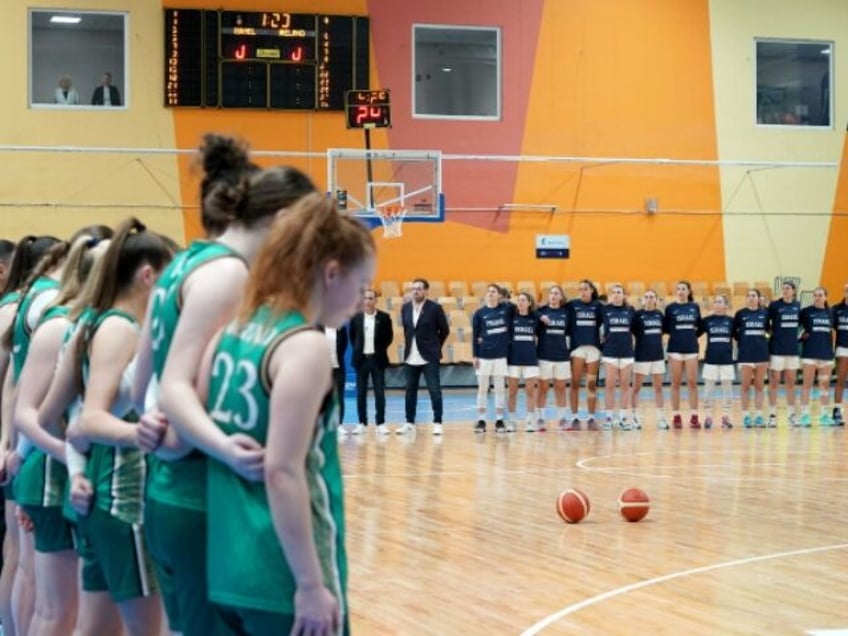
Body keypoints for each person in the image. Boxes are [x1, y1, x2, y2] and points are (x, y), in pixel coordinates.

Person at [133, 135, 316, 636]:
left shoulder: (182, 267)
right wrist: (220, 447)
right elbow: (177, 385)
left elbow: (139, 385)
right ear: (281, 222)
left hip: (171, 492)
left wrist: (157, 424)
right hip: (203, 490)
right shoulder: (229, 275)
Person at [195, 193, 374, 635]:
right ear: (331, 273)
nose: (360, 300)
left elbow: (188, 419)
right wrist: (311, 585)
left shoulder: (232, 328)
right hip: (281, 568)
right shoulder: (303, 345)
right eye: (361, 285)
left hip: (226, 559)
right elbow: (282, 471)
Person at [71, 218, 173, 636]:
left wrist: (76, 469)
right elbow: (89, 418)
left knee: (94, 629)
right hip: (124, 499)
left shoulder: (98, 323)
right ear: (149, 276)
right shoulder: (119, 329)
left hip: (103, 493)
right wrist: (141, 434)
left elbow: (73, 422)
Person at [12, 233, 111, 636]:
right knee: (56, 609)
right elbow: (28, 411)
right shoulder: (61, 325)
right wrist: (70, 461)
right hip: (53, 475)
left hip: (61, 471)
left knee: (67, 608)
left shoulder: (91, 324)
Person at [399, 279, 449, 436]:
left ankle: (437, 422)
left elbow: (445, 330)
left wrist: (435, 346)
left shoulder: (435, 308)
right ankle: (409, 422)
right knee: (410, 391)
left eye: (419, 288)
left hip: (429, 356)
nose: (415, 291)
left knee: (434, 390)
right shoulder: (405, 308)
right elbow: (407, 330)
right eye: (413, 289)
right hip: (410, 356)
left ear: (426, 291)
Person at [347, 289, 393, 435]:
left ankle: (380, 423)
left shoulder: (384, 318)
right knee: (361, 394)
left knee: (380, 392)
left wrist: (378, 350)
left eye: (371, 298)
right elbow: (353, 337)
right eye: (365, 298)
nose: (368, 301)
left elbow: (388, 338)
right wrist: (360, 351)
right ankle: (362, 423)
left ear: (375, 301)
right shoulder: (356, 318)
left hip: (377, 360)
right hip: (361, 361)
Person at [471, 284, 511, 433]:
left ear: (499, 295)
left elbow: (518, 305)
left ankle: (499, 420)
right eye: (488, 292)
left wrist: (506, 297)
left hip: (500, 356)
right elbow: (475, 336)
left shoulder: (506, 309)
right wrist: (474, 355)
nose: (490, 294)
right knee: (482, 388)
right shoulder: (480, 313)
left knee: (500, 388)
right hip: (483, 356)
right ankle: (481, 420)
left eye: (494, 292)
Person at [566, 280, 603, 430]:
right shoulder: (572, 305)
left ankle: (591, 417)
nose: (582, 291)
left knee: (591, 385)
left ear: (592, 290)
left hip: (593, 349)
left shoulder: (598, 306)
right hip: (578, 349)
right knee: (575, 383)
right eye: (580, 289)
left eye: (585, 289)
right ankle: (574, 417)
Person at [664, 281, 702, 429]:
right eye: (678, 289)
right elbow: (667, 328)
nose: (680, 291)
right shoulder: (670, 308)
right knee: (675, 384)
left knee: (692, 383)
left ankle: (694, 416)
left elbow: (698, 327)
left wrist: (690, 336)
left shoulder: (695, 307)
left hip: (691, 349)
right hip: (675, 349)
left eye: (683, 289)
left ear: (689, 291)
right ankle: (676, 416)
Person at [798, 287, 835, 427]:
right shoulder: (806, 312)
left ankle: (824, 415)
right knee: (807, 385)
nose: (817, 297)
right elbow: (797, 328)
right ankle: (805, 415)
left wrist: (832, 350)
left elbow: (834, 332)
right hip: (809, 355)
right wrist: (800, 336)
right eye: (815, 295)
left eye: (820, 295)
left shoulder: (831, 313)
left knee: (824, 386)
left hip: (826, 355)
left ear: (825, 297)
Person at [535, 285, 570, 432]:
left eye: (557, 293)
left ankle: (562, 418)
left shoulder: (566, 313)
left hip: (561, 356)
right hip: (544, 355)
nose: (554, 296)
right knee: (543, 388)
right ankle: (540, 419)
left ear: (561, 297)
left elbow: (568, 333)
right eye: (551, 293)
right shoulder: (541, 313)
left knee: (560, 388)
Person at [600, 284, 636, 430]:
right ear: (610, 296)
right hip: (610, 353)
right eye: (613, 292)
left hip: (627, 352)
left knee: (625, 386)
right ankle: (608, 417)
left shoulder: (630, 311)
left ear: (623, 295)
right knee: (609, 386)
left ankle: (622, 417)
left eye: (619, 292)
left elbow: (636, 330)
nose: (616, 294)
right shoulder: (605, 310)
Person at [767, 281, 801, 427]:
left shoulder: (798, 306)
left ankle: (791, 415)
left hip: (792, 351)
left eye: (788, 288)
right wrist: (769, 336)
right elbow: (765, 323)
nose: (785, 290)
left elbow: (805, 324)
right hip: (776, 350)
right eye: (784, 288)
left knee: (791, 384)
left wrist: (802, 336)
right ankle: (772, 415)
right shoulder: (774, 306)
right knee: (774, 383)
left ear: (794, 291)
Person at [631, 290, 667, 430]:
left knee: (658, 388)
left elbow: (662, 331)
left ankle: (661, 418)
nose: (649, 299)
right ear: (643, 300)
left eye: (652, 297)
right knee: (636, 388)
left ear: (656, 300)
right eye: (646, 297)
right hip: (641, 356)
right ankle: (634, 417)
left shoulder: (659, 315)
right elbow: (633, 331)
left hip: (657, 356)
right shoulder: (637, 315)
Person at [734, 290, 770, 428]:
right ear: (746, 298)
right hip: (745, 355)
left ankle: (759, 416)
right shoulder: (740, 314)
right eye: (748, 295)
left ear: (758, 298)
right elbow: (734, 333)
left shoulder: (765, 314)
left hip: (761, 354)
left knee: (759, 386)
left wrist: (763, 339)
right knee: (745, 386)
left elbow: (768, 331)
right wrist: (743, 342)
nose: (751, 298)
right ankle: (746, 417)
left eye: (753, 296)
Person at [699, 295, 735, 429]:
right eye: (715, 302)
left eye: (720, 302)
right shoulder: (707, 321)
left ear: (726, 305)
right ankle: (708, 416)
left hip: (726, 360)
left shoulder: (731, 321)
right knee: (708, 390)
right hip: (711, 360)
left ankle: (726, 417)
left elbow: (738, 336)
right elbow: (695, 333)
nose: (717, 304)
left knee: (728, 390)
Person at [506, 292, 539, 432]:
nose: (520, 303)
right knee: (512, 391)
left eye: (523, 300)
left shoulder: (534, 319)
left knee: (530, 391)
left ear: (529, 303)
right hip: (513, 360)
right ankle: (512, 421)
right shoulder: (511, 318)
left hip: (530, 360)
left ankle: (530, 420)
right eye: (518, 300)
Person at [324, 325, 349, 427]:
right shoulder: (319, 328)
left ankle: (339, 424)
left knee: (339, 397)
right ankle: (324, 426)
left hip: (338, 369)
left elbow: (344, 345)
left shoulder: (341, 327)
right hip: (323, 370)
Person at [832, 283, 848, 426]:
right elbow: (830, 330)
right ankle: (837, 410)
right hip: (843, 348)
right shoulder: (837, 310)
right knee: (841, 380)